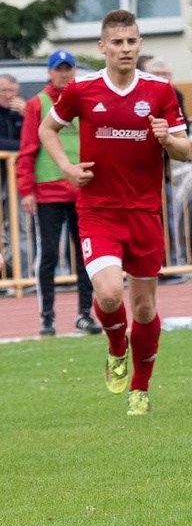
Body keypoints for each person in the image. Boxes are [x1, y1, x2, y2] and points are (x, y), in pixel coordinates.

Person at [38, 9, 190, 417]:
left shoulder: (160, 90)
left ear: (140, 44)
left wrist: (167, 141)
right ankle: (116, 346)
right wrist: (67, 169)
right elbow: (47, 129)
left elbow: (185, 149)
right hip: (98, 212)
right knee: (107, 294)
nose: (125, 49)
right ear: (102, 47)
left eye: (131, 41)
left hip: (144, 213)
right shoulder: (82, 90)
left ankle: (140, 389)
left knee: (144, 308)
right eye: (118, 42)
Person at [17, 50, 103, 337]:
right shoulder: (37, 104)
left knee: (86, 255)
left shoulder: (84, 100)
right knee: (49, 256)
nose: (64, 74)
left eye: (68, 69)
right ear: (50, 72)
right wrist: (26, 190)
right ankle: (47, 317)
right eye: (59, 69)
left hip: (83, 191)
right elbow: (27, 149)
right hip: (48, 192)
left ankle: (84, 314)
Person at [145, 57, 190, 284]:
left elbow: (183, 131)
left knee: (168, 218)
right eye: (159, 74)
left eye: (167, 74)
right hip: (140, 168)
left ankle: (170, 264)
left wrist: (170, 139)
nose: (164, 78)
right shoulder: (144, 93)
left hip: (164, 170)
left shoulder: (176, 95)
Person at [1, 73, 30, 278]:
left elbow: (37, 138)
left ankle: (22, 276)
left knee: (21, 227)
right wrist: (22, 148)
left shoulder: (24, 111)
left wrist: (28, 115)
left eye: (11, 91)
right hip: (3, 176)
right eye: (3, 91)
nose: (8, 95)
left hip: (18, 179)